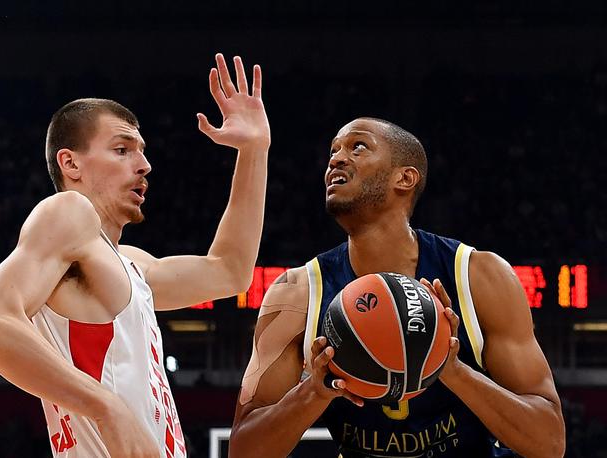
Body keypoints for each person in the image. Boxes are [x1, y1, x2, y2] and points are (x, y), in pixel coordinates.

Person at [0, 53, 270, 458]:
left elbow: (230, 271)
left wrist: (254, 150)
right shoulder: (68, 214)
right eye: (122, 150)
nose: (144, 165)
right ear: (70, 162)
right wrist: (107, 408)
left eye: (142, 152)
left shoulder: (130, 262)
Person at [229, 117, 565, 458]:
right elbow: (243, 450)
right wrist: (312, 392)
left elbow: (549, 443)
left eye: (358, 146)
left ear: (404, 178)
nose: (336, 158)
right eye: (334, 150)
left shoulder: (479, 276)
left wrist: (453, 369)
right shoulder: (296, 293)